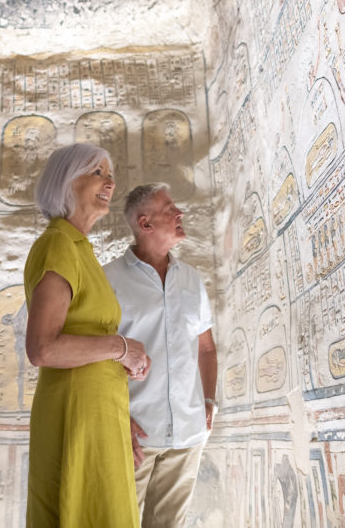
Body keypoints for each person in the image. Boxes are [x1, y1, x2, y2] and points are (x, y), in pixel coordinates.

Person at [23, 142, 151, 527]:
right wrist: (122, 348)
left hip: (97, 412)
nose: (110, 182)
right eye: (97, 172)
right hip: (77, 414)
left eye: (110, 174)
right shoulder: (59, 244)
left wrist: (119, 416)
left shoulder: (80, 250)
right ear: (66, 181)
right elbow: (42, 348)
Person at [104, 183, 218, 527]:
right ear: (145, 223)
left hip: (188, 433)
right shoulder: (107, 281)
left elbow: (207, 348)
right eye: (170, 208)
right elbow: (95, 360)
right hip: (133, 435)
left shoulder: (192, 280)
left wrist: (209, 402)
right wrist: (116, 417)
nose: (179, 213)